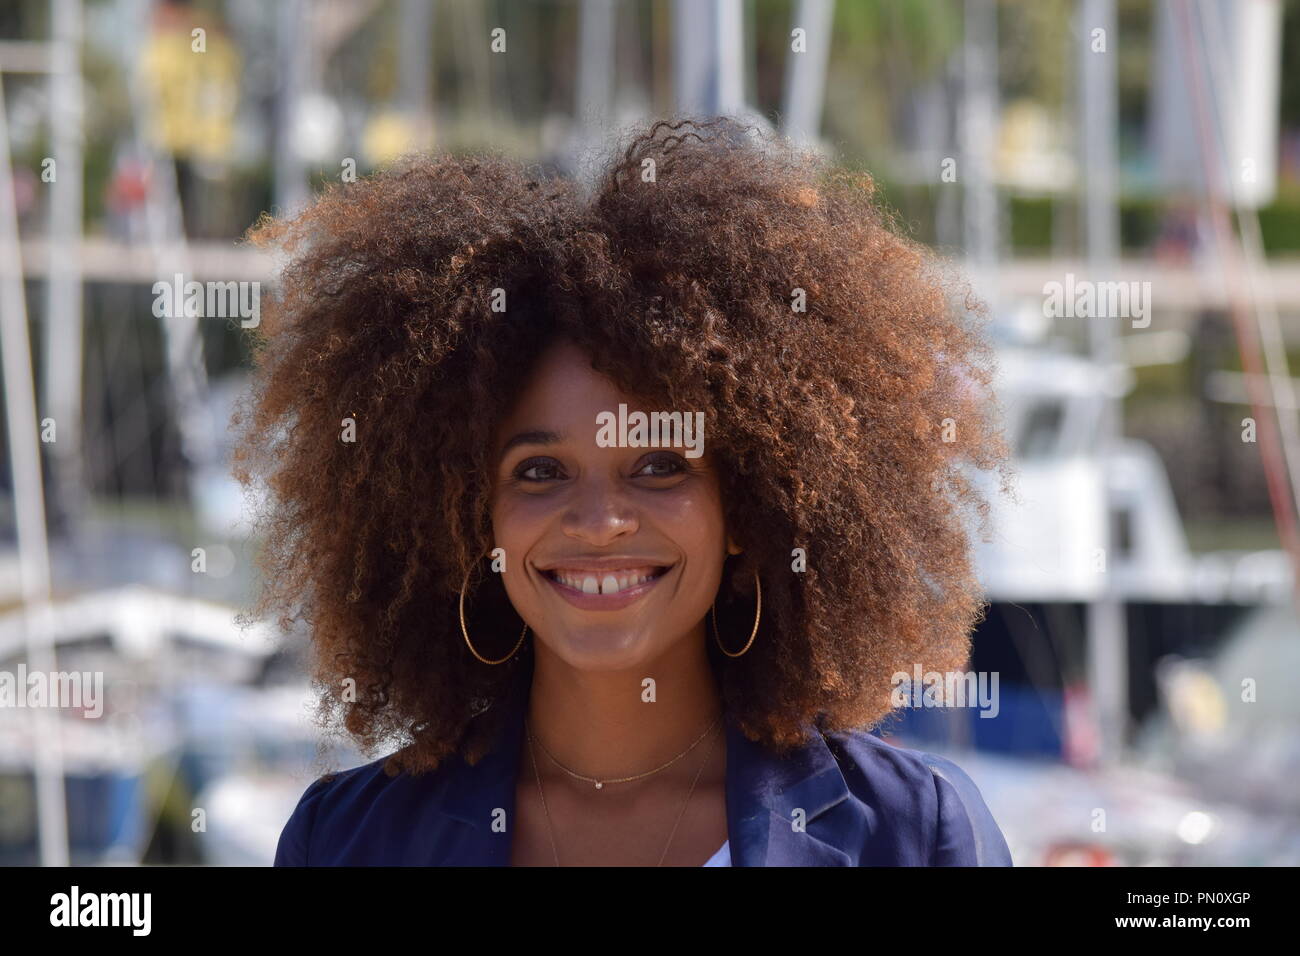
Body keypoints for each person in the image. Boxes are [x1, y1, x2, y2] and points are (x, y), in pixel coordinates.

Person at [235, 116, 1014, 866]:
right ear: (477, 522)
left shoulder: (913, 838)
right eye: (540, 472)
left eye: (659, 466)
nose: (600, 522)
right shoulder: (345, 846)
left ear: (747, 507)